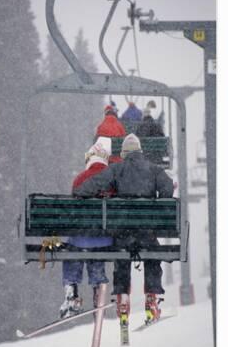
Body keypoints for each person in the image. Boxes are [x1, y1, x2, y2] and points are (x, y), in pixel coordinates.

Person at [72, 133, 174, 324]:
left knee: (121, 257)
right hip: (147, 233)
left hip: (123, 232)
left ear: (124, 153)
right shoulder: (154, 170)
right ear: (140, 151)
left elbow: (96, 184)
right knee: (153, 258)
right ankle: (152, 296)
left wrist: (79, 191)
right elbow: (168, 187)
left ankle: (122, 297)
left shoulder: (116, 169)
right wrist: (159, 202)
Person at [59, 137, 113, 319]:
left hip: (80, 237)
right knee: (96, 251)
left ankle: (71, 292)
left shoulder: (80, 179)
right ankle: (99, 291)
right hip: (105, 239)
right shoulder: (112, 178)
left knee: (74, 250)